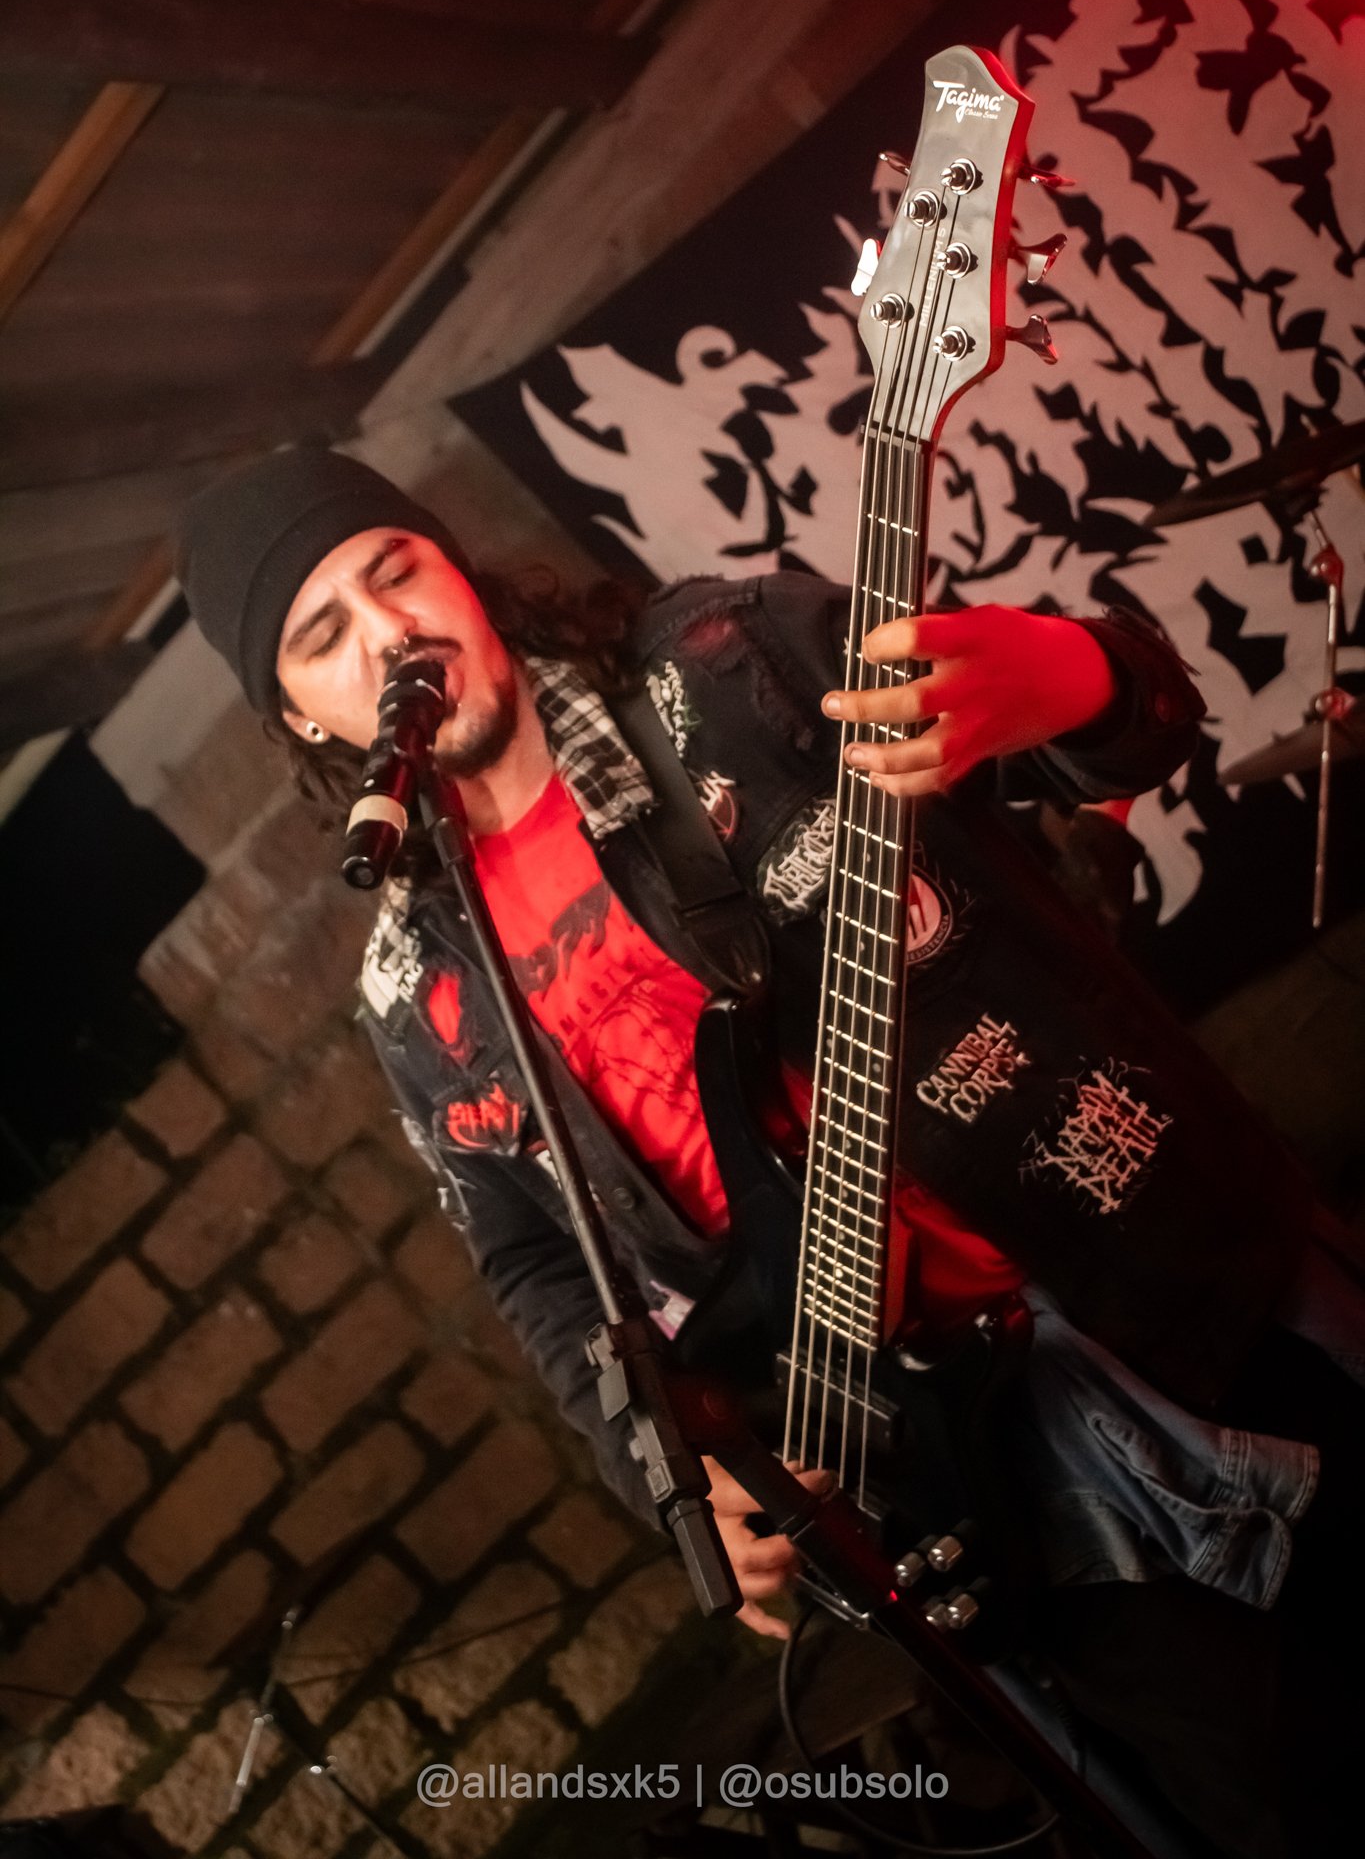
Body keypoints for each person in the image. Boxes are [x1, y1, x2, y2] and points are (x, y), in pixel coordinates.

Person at [179, 447, 1364, 1859]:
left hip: (1165, 1273)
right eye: (323, 634)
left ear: (459, 570)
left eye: (395, 572)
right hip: (959, 1473)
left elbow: (1127, 734)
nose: (388, 637)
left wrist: (1075, 675)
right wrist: (677, 1472)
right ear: (302, 717)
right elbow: (534, 1267)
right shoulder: (413, 992)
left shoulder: (731, 661)